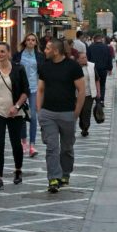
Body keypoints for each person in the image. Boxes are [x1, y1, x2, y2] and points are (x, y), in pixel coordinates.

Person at [37, 39, 86, 194]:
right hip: (48, 113)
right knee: (52, 147)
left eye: (47, 48)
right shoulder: (44, 67)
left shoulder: (73, 67)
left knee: (67, 148)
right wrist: (40, 111)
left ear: (56, 51)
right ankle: (53, 178)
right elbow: (40, 90)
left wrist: (76, 113)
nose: (45, 50)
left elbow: (82, 91)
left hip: (67, 113)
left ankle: (65, 173)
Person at [0, 42, 30, 191]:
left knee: (16, 143)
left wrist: (16, 107)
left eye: (2, 51)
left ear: (9, 53)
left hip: (15, 113)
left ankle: (18, 170)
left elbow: (25, 91)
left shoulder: (18, 69)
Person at [17, 33, 45, 157]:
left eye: (33, 40)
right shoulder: (18, 56)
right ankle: (24, 142)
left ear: (36, 43)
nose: (30, 42)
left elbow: (43, 73)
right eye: (28, 40)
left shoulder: (39, 56)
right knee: (22, 115)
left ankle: (32, 145)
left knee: (33, 116)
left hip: (34, 89)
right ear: (25, 42)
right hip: (21, 90)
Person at [76, 50, 100, 138]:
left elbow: (97, 79)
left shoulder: (91, 66)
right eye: (82, 58)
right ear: (78, 60)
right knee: (80, 111)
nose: (85, 59)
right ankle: (82, 124)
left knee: (87, 110)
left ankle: (85, 128)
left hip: (89, 93)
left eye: (85, 57)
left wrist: (98, 92)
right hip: (77, 94)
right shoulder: (75, 67)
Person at [87, 33, 114, 100]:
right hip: (103, 69)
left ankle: (96, 100)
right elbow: (109, 58)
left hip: (93, 69)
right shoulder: (106, 47)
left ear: (94, 39)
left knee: (94, 84)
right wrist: (110, 68)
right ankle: (101, 100)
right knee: (102, 85)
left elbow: (88, 59)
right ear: (101, 39)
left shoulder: (90, 47)